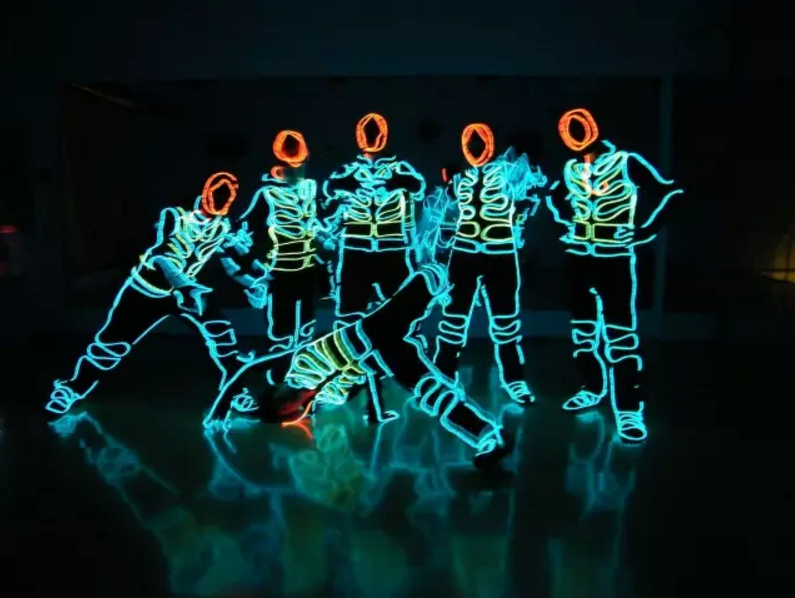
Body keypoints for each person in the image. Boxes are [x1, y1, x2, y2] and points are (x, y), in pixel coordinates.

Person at [204, 264, 512, 469]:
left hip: (369, 333)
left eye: (276, 399)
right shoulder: (324, 401)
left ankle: (445, 269)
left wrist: (221, 406)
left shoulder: (293, 369)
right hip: (383, 352)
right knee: (429, 390)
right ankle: (486, 436)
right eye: (281, 408)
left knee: (426, 284)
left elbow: (248, 368)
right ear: (288, 413)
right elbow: (367, 378)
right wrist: (376, 411)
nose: (283, 401)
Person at [46, 172, 252, 415]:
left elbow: (232, 259)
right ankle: (73, 389)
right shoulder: (173, 216)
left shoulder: (222, 226)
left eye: (227, 197)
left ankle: (235, 389)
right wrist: (184, 285)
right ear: (204, 192)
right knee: (112, 344)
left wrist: (255, 280)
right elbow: (160, 255)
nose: (220, 201)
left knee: (221, 333)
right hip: (146, 290)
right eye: (217, 194)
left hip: (186, 292)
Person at [546, 108, 684, 441]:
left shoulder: (626, 162)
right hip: (579, 257)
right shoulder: (570, 169)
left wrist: (644, 230)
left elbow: (672, 192)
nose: (575, 136)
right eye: (569, 131)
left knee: (621, 336)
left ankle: (629, 411)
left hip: (614, 258)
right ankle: (592, 387)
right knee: (583, 332)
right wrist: (565, 221)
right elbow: (553, 196)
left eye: (580, 128)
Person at [433, 123, 548, 406]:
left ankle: (514, 379)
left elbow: (531, 193)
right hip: (464, 254)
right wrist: (440, 247)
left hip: (500, 254)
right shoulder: (459, 180)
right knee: (453, 319)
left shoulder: (509, 173)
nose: (475, 148)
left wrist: (521, 216)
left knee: (505, 320)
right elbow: (446, 216)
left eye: (480, 142)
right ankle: (442, 376)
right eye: (470, 144)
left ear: (490, 144)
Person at [322, 112, 426, 421]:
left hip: (394, 250)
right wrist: (352, 185)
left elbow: (418, 186)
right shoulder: (347, 170)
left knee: (406, 312)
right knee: (348, 314)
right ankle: (346, 376)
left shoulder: (400, 168)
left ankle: (409, 371)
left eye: (375, 132)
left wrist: (392, 183)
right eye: (367, 133)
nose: (371, 138)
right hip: (355, 250)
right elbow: (330, 188)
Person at [222, 130, 328, 353]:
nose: (297, 169)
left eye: (300, 164)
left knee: (307, 315)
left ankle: (304, 355)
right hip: (280, 267)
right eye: (292, 164)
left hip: (308, 265)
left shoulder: (310, 188)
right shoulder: (267, 193)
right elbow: (245, 223)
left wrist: (325, 235)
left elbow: (316, 221)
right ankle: (279, 358)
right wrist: (245, 252)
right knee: (281, 317)